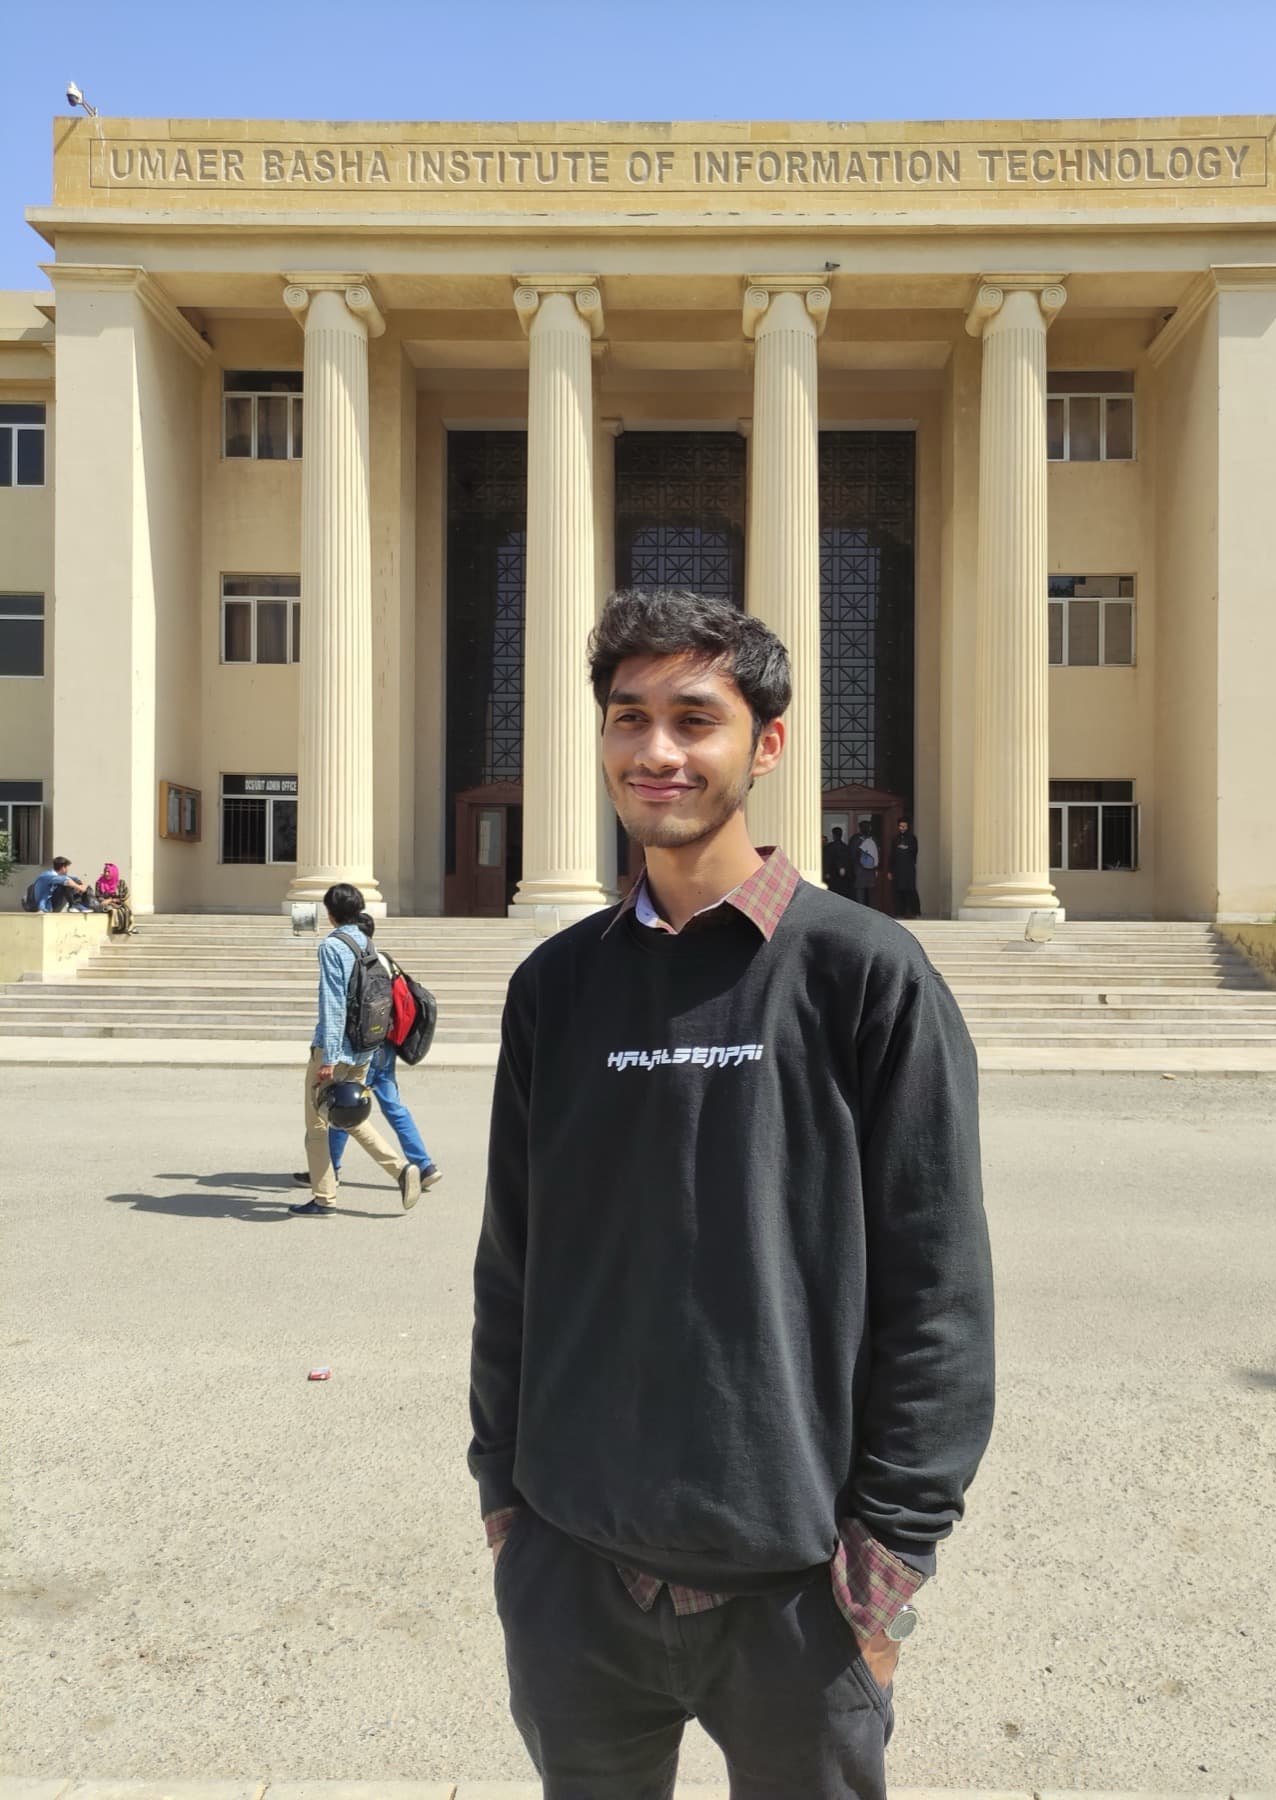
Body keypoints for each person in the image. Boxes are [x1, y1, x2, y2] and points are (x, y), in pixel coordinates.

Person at [469, 587, 993, 1799]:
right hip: (574, 1576)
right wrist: (508, 1509)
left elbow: (938, 1291)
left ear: (762, 745)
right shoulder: (556, 987)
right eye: (626, 716)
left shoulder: (862, 973)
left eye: (693, 718)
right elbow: (513, 1265)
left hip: (797, 1594)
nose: (656, 751)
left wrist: (884, 1570)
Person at [290, 883, 424, 1218]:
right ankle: (402, 1170)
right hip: (365, 1047)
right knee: (348, 1116)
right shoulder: (366, 942)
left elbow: (333, 1004)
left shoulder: (333, 946)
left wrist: (329, 1057)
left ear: (330, 912)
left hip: (336, 1050)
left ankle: (324, 1199)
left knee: (318, 1125)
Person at [889, 821, 920, 920]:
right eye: (900, 826)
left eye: (904, 826)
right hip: (897, 869)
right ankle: (899, 912)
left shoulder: (912, 838)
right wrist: (890, 870)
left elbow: (915, 852)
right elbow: (892, 855)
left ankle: (912, 912)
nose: (902, 828)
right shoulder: (895, 838)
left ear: (907, 827)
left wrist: (906, 848)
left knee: (910, 890)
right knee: (898, 890)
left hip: (908, 868)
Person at [94, 862, 137, 934]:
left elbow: (124, 895)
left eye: (108, 872)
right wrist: (107, 901)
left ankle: (125, 928)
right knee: (111, 909)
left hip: (119, 904)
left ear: (114, 873)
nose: (106, 873)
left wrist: (111, 900)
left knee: (125, 910)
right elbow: (98, 896)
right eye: (105, 871)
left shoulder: (121, 883)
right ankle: (117, 928)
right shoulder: (99, 883)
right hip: (104, 905)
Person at [853, 818, 880, 908]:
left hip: (859, 869)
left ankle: (860, 912)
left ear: (860, 828)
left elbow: (852, 854)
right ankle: (872, 912)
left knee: (860, 893)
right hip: (871, 870)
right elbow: (878, 854)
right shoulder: (874, 839)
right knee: (871, 893)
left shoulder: (855, 839)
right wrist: (876, 868)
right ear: (870, 828)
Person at [822, 825, 853, 898]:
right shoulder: (846, 847)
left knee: (832, 895)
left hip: (832, 875)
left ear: (833, 835)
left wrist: (826, 872)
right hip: (844, 877)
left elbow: (826, 861)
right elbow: (849, 862)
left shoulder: (829, 847)